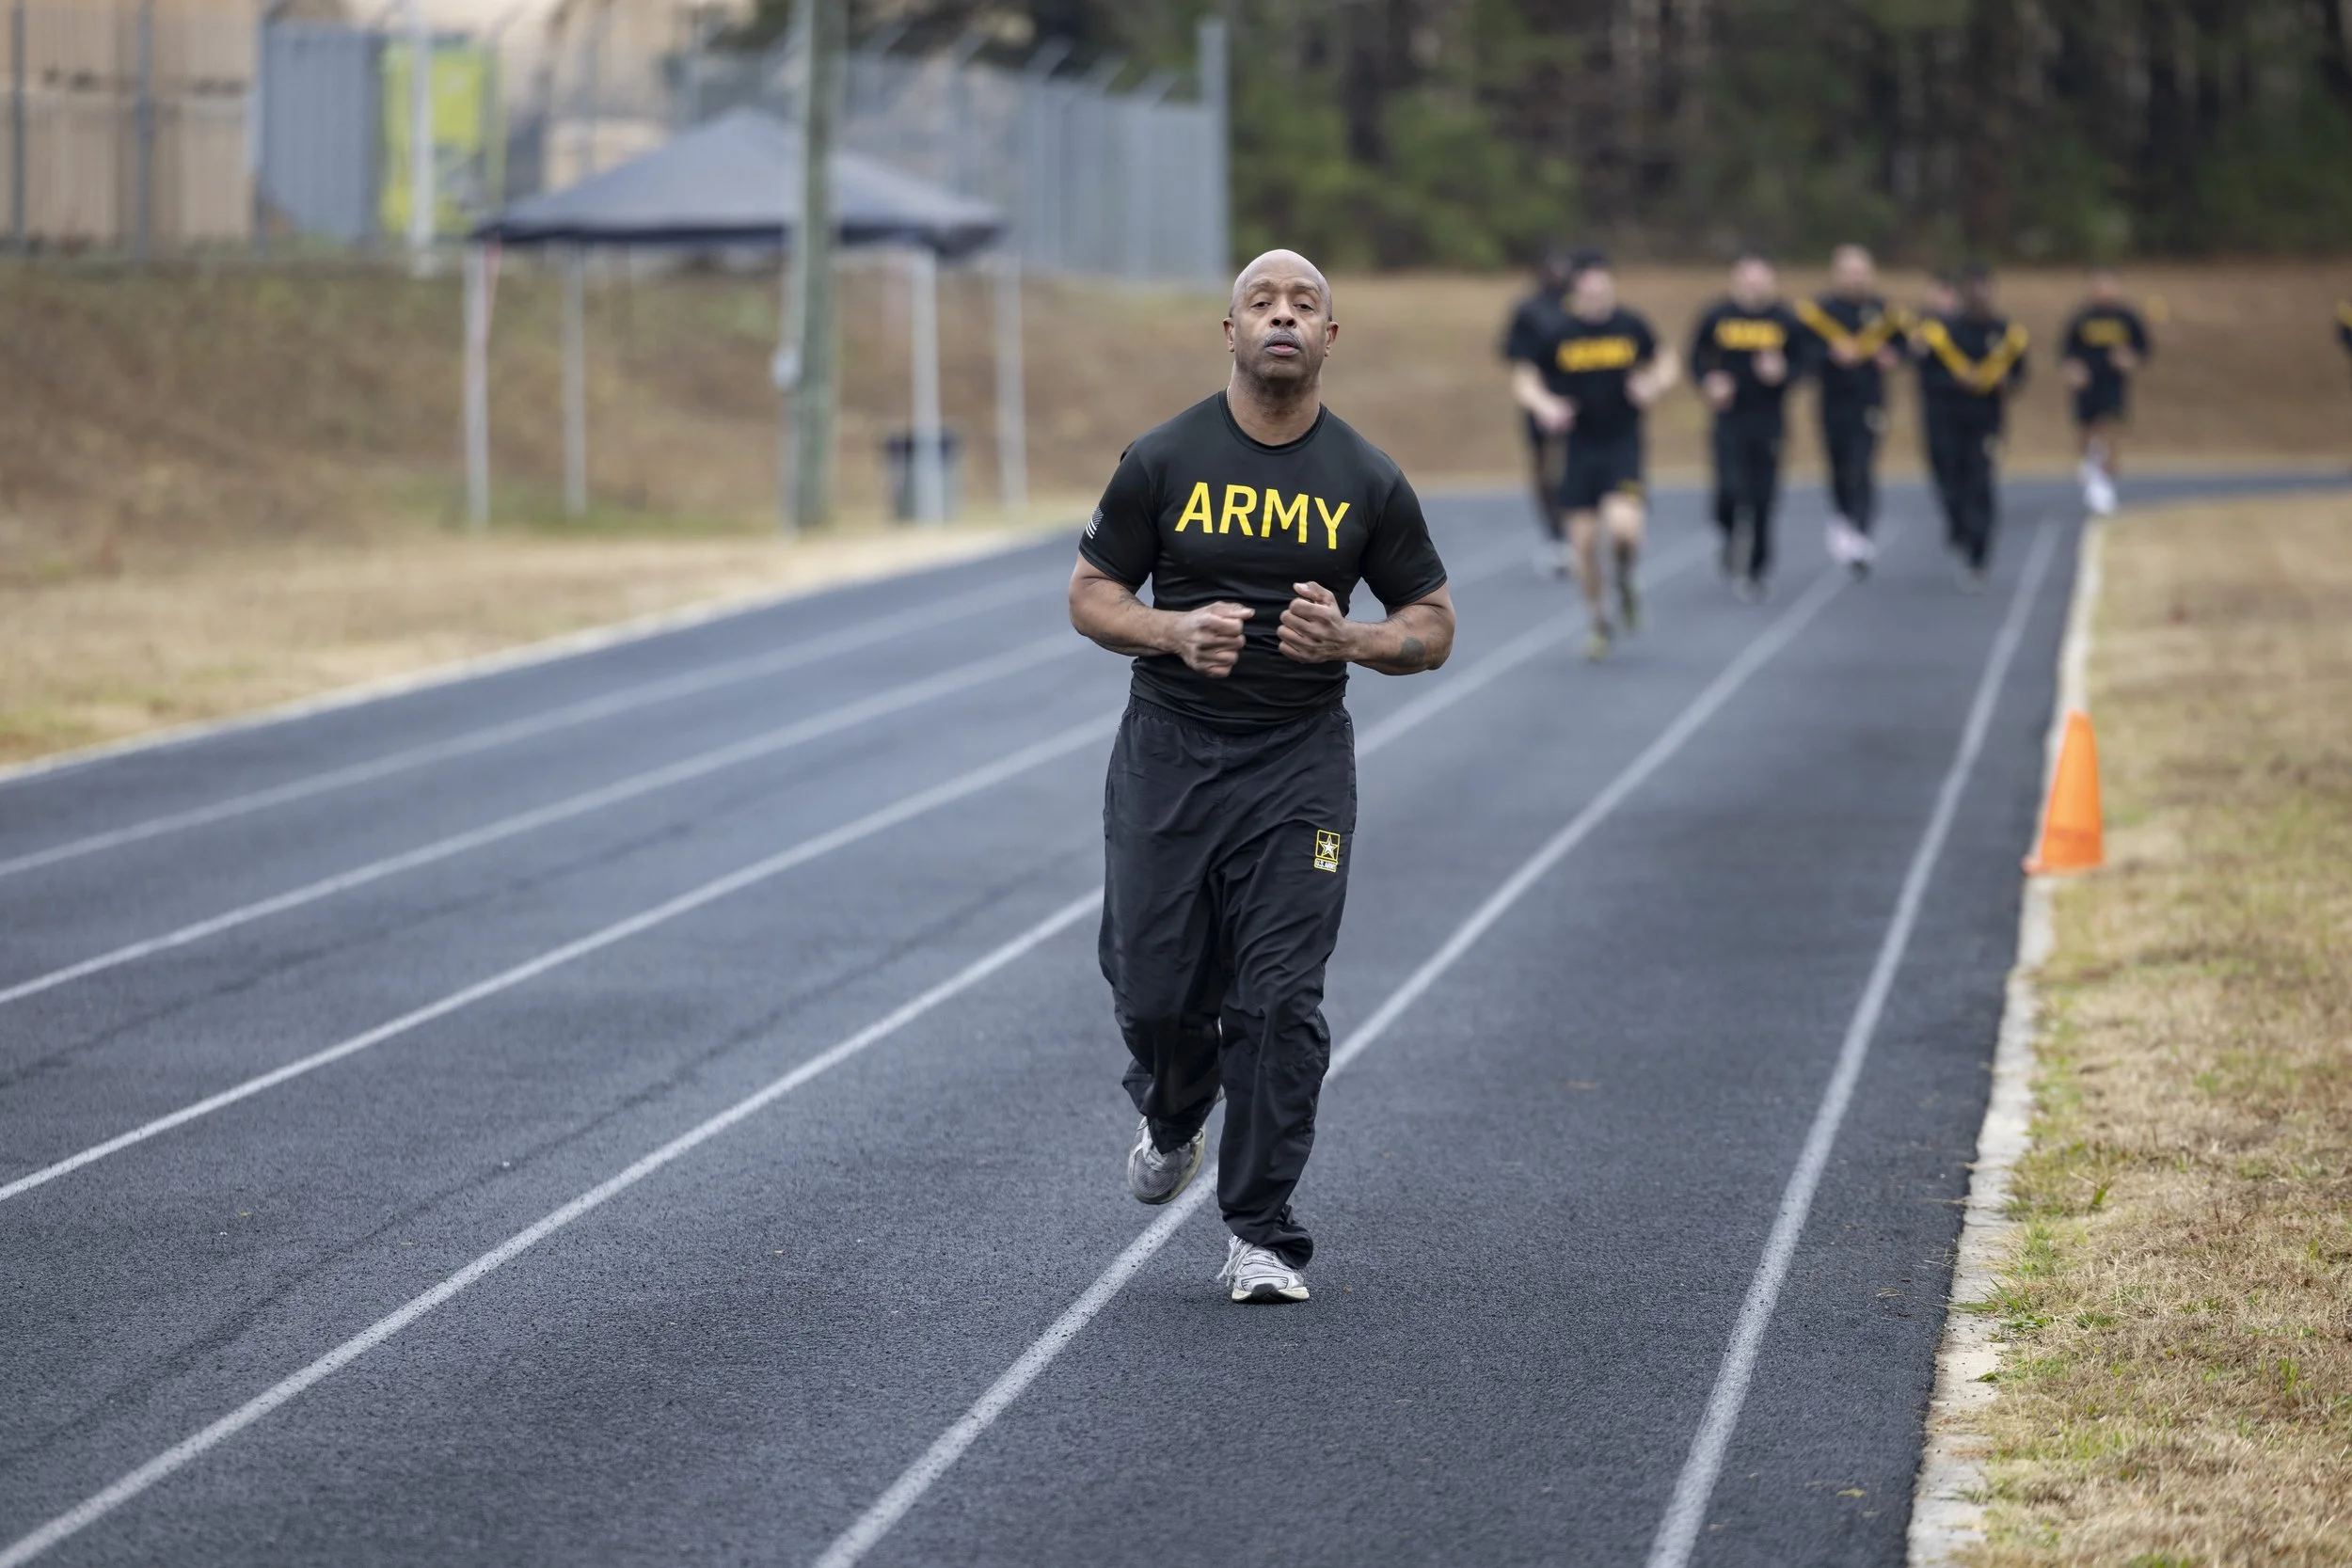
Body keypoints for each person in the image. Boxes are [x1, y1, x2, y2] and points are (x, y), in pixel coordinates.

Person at [1070, 249, 1456, 1306]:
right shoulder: (1163, 459)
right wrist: (1168, 627)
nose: (1282, 316)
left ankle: (1263, 1232)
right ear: (1228, 330)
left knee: (1279, 999)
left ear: (1330, 336)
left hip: (1297, 769)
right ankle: (1172, 1107)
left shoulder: (1366, 478)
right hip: (1169, 755)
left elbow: (1432, 626)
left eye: (1304, 304)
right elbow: (1092, 593)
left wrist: (1355, 641)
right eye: (1261, 302)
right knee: (1153, 992)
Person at [1508, 251, 1679, 659]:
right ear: (1578, 291)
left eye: (1604, 288)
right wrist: (1545, 405)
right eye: (1589, 289)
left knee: (1624, 531)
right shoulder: (1561, 333)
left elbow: (1667, 360)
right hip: (1578, 449)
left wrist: (1652, 384)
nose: (1597, 296)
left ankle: (1624, 578)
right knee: (1582, 544)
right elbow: (1525, 377)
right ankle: (1599, 621)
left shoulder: (1631, 325)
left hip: (1623, 444)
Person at [1690, 251, 1805, 600]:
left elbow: (1805, 361)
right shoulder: (1717, 316)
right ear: (1735, 278)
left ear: (1771, 280)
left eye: (1761, 277)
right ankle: (1728, 534)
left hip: (1769, 420)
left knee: (1763, 498)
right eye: (1747, 277)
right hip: (1729, 418)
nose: (1754, 284)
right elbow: (1695, 357)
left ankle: (1757, 569)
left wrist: (1783, 372)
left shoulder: (1784, 318)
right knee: (1728, 490)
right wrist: (1710, 381)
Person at [1793, 245, 1907, 577]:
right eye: (1849, 272)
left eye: (1861, 272)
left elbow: (1907, 345)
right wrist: (1830, 355)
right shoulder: (1820, 311)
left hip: (1870, 400)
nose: (1855, 279)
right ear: (1836, 274)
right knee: (1839, 464)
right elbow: (1802, 355)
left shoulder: (1884, 311)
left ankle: (1861, 530)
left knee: (1862, 464)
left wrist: (1893, 356)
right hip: (1832, 401)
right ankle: (1843, 517)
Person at [1914, 263, 2029, 589]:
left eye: (1984, 287)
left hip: (1986, 421)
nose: (1978, 294)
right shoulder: (1943, 331)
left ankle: (1979, 555)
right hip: (1946, 420)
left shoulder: (2005, 332)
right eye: (1972, 287)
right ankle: (1958, 527)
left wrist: (2008, 382)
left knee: (1980, 483)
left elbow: (2020, 373)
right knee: (1949, 481)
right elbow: (1926, 376)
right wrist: (1955, 379)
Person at [1501, 248, 1582, 575]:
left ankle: (1580, 533)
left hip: (1583, 397)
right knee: (1545, 472)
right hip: (1541, 397)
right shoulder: (1528, 309)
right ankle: (1557, 536)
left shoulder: (1582, 307)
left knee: (1579, 465)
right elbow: (1511, 351)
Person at [2059, 268, 2153, 515]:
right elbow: (2067, 352)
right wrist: (2074, 370)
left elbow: (2143, 349)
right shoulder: (2082, 319)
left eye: (2109, 285)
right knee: (2087, 433)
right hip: (2087, 386)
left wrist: (2129, 359)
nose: (2104, 291)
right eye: (2099, 286)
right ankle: (2091, 471)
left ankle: (2105, 481)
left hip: (2113, 385)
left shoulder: (2127, 318)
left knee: (2110, 428)